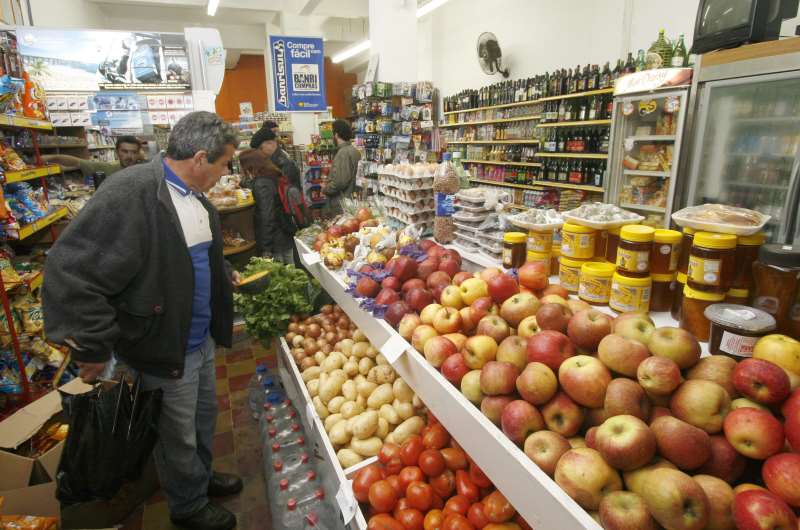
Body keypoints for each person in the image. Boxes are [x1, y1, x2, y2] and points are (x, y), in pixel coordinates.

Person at [42, 111, 241, 530]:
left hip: (198, 339)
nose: (226, 173)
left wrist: (222, 277)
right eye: (224, 164)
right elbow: (68, 270)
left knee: (203, 420)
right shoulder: (131, 193)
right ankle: (187, 506)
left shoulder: (194, 197)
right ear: (201, 158)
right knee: (176, 436)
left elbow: (195, 256)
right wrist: (93, 345)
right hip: (162, 344)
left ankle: (199, 480)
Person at [238, 145, 295, 264]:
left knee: (282, 274)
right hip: (285, 231)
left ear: (249, 166)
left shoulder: (262, 184)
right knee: (291, 271)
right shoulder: (273, 174)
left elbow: (267, 216)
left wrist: (266, 248)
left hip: (275, 239)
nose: (240, 169)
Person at [41, 135, 142, 178]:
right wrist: (49, 157)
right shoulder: (108, 168)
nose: (129, 156)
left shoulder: (146, 170)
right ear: (117, 152)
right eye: (125, 151)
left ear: (138, 154)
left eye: (133, 152)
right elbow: (76, 162)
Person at [323, 119, 360, 216]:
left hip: (342, 205)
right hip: (351, 201)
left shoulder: (343, 153)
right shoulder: (354, 151)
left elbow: (340, 182)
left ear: (336, 135)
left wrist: (326, 188)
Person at [250, 119, 301, 190]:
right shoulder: (269, 159)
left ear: (271, 143)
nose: (276, 134)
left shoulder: (285, 163)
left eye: (260, 149)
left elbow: (284, 190)